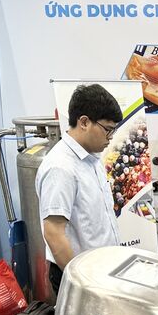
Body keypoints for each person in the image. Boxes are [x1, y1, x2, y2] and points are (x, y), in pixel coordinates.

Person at [36, 84, 123, 295]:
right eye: (107, 129)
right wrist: (81, 284)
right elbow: (53, 232)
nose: (111, 137)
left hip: (103, 270)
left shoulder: (91, 157)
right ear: (84, 122)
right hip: (82, 278)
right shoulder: (61, 167)